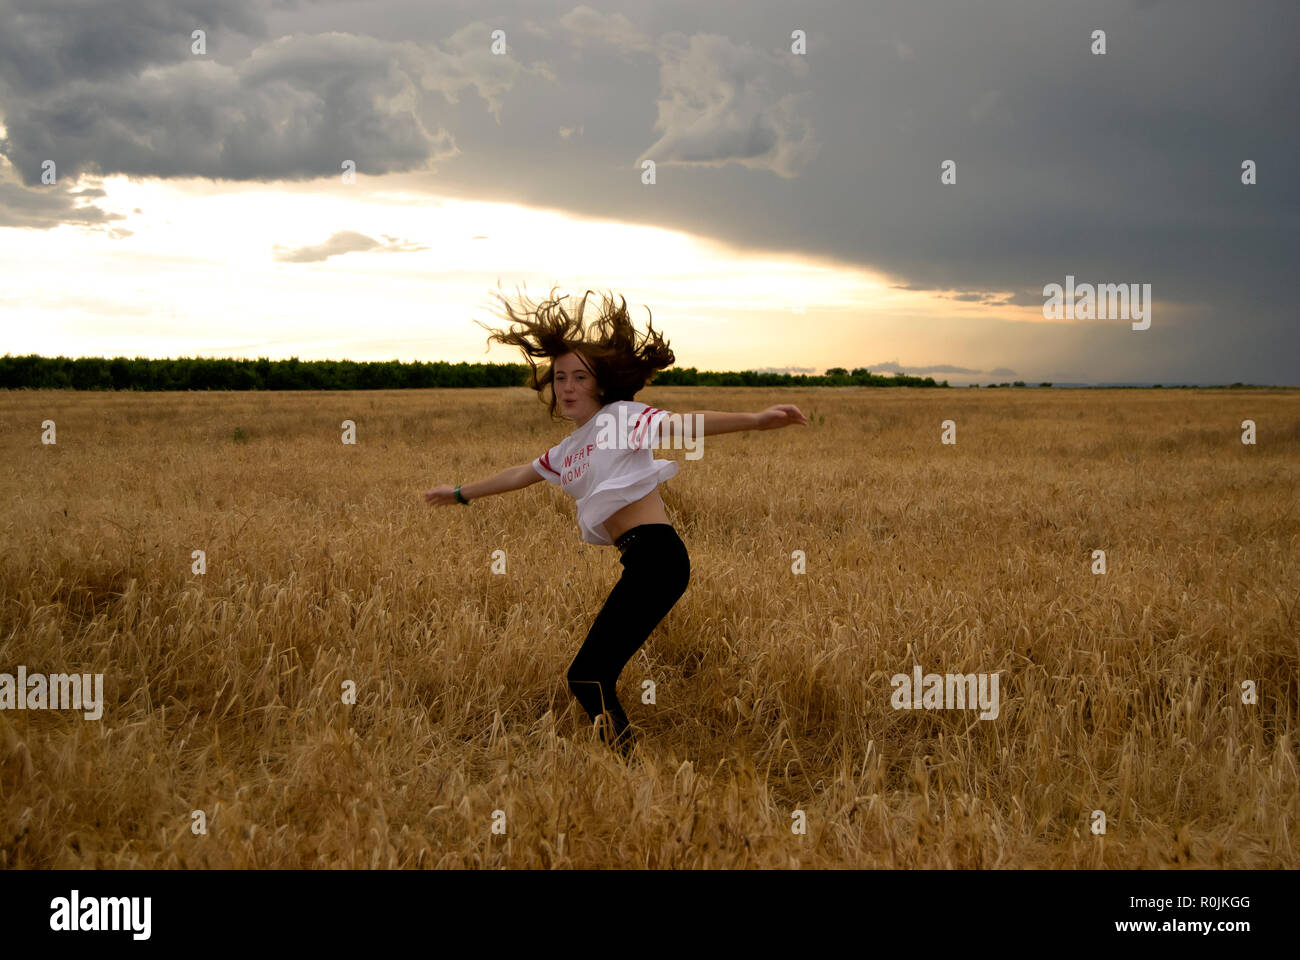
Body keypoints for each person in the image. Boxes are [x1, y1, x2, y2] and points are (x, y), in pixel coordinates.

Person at [424, 287, 808, 757]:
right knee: (590, 673)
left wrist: (757, 419)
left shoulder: (621, 416)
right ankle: (625, 763)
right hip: (640, 560)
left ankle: (627, 766)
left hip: (658, 557)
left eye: (578, 377)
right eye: (558, 377)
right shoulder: (569, 449)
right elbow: (521, 474)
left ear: (601, 383)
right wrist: (460, 493)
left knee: (588, 675)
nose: (565, 387)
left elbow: (681, 424)